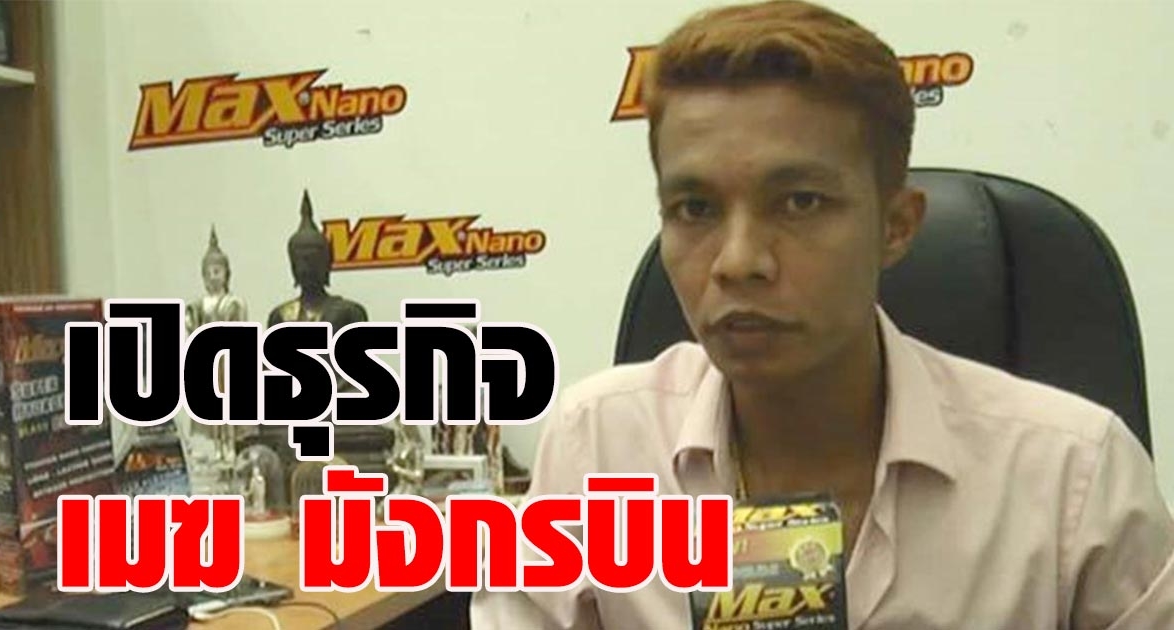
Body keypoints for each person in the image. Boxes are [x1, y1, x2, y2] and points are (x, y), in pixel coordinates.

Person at [470, 1, 1174, 628]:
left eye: (800, 202)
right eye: (695, 209)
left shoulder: (1074, 476)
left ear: (896, 226)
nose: (738, 261)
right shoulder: (598, 447)